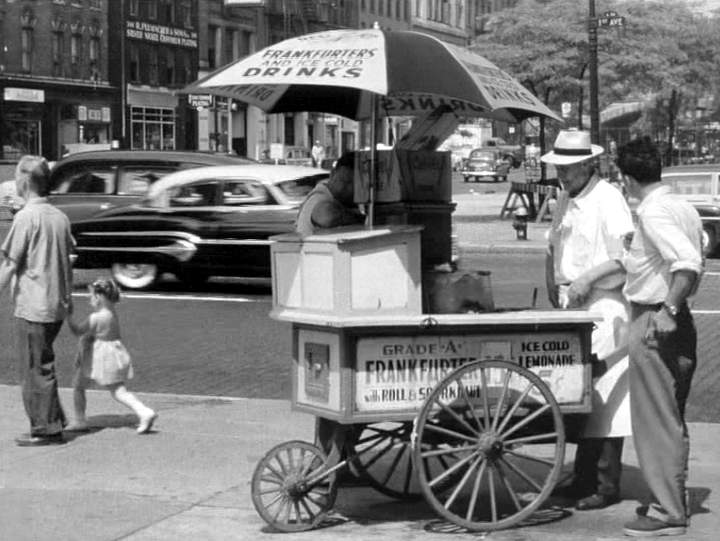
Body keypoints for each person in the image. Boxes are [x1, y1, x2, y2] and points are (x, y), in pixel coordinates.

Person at [542, 129, 634, 511]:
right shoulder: (567, 197)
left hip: (603, 307)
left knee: (606, 399)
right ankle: (582, 476)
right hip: (573, 304)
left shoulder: (609, 199)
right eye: (559, 168)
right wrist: (553, 280)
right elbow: (554, 244)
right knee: (577, 396)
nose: (562, 175)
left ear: (587, 164)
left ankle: (604, 482)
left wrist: (586, 279)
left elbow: (625, 260)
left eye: (569, 168)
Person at [616, 136, 703, 538]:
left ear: (628, 179)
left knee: (655, 420)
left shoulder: (652, 212)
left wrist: (666, 309)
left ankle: (668, 511)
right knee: (670, 416)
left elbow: (686, 262)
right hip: (675, 319)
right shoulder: (680, 206)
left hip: (656, 317)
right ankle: (671, 498)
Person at [0, 155, 74, 446]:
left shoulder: (25, 218)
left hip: (33, 303)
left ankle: (46, 428)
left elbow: (9, 263)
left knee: (34, 369)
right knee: (44, 363)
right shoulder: (60, 216)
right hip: (56, 301)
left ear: (23, 182)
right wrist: (69, 298)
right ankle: (54, 419)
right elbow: (68, 260)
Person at [66, 278, 158, 434]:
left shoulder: (96, 317)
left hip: (100, 356)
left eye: (92, 295)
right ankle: (142, 411)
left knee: (106, 390)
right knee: (105, 388)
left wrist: (67, 316)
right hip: (112, 352)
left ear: (100, 297)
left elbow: (77, 331)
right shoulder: (111, 312)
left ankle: (143, 411)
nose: (90, 299)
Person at [295, 151, 365, 236]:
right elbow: (326, 216)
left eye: (352, 184)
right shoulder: (319, 197)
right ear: (332, 174)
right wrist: (361, 219)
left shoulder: (342, 201)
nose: (343, 187)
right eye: (343, 180)